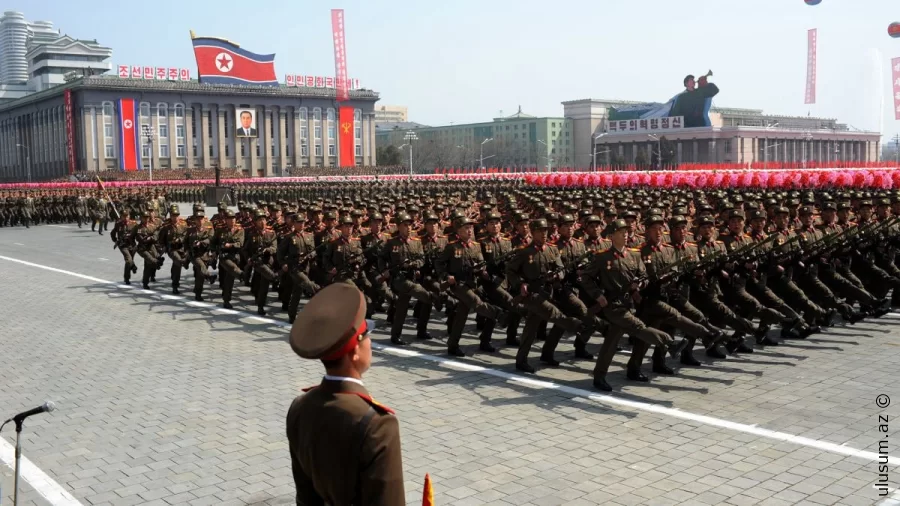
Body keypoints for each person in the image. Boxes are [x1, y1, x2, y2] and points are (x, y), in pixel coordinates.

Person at [286, 283, 405, 505]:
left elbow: (305, 496)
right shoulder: (378, 424)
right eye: (367, 334)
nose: (371, 342)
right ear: (355, 352)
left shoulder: (300, 406)